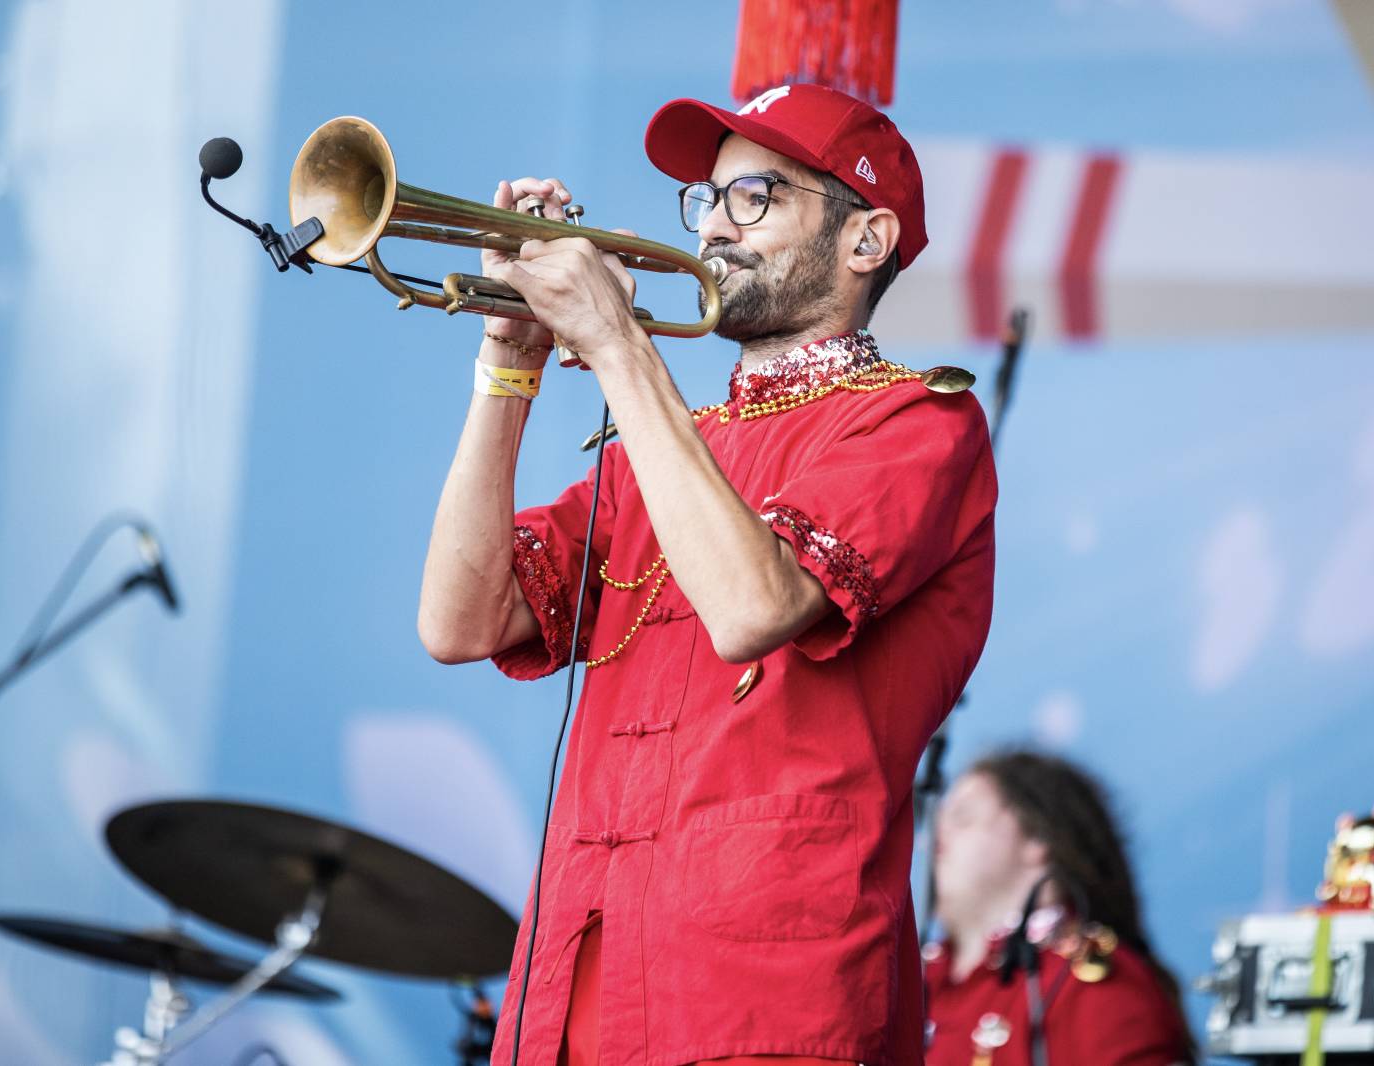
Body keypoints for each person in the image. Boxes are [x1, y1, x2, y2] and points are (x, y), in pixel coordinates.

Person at [417, 83, 998, 1066]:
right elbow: (458, 621)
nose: (716, 227)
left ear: (865, 241)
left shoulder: (919, 424)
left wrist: (615, 345)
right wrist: (506, 357)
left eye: (755, 197)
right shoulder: (671, 448)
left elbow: (754, 606)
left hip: (765, 1004)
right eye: (709, 200)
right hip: (577, 977)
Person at [925, 751, 1194, 1066]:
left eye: (963, 817)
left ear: (1038, 839)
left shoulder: (1093, 988)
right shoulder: (903, 983)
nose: (933, 837)